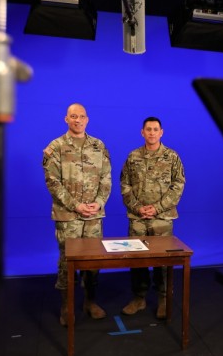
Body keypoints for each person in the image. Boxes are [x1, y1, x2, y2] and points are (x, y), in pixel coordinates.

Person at [42, 103, 112, 326]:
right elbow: (53, 183)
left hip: (93, 216)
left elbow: (106, 179)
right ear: (66, 119)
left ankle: (90, 302)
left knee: (93, 261)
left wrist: (99, 203)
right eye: (73, 116)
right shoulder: (56, 147)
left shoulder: (98, 146)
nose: (78, 120)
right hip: (68, 216)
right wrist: (76, 205)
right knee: (67, 261)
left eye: (81, 116)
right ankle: (66, 305)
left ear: (87, 119)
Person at [120, 116, 186, 319]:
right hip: (138, 218)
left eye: (155, 129)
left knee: (163, 261)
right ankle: (139, 298)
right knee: (137, 260)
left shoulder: (172, 157)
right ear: (142, 132)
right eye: (148, 129)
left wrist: (156, 208)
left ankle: (164, 299)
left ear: (161, 132)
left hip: (162, 219)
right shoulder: (133, 157)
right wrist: (138, 207)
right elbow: (125, 185)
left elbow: (178, 186)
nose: (151, 133)